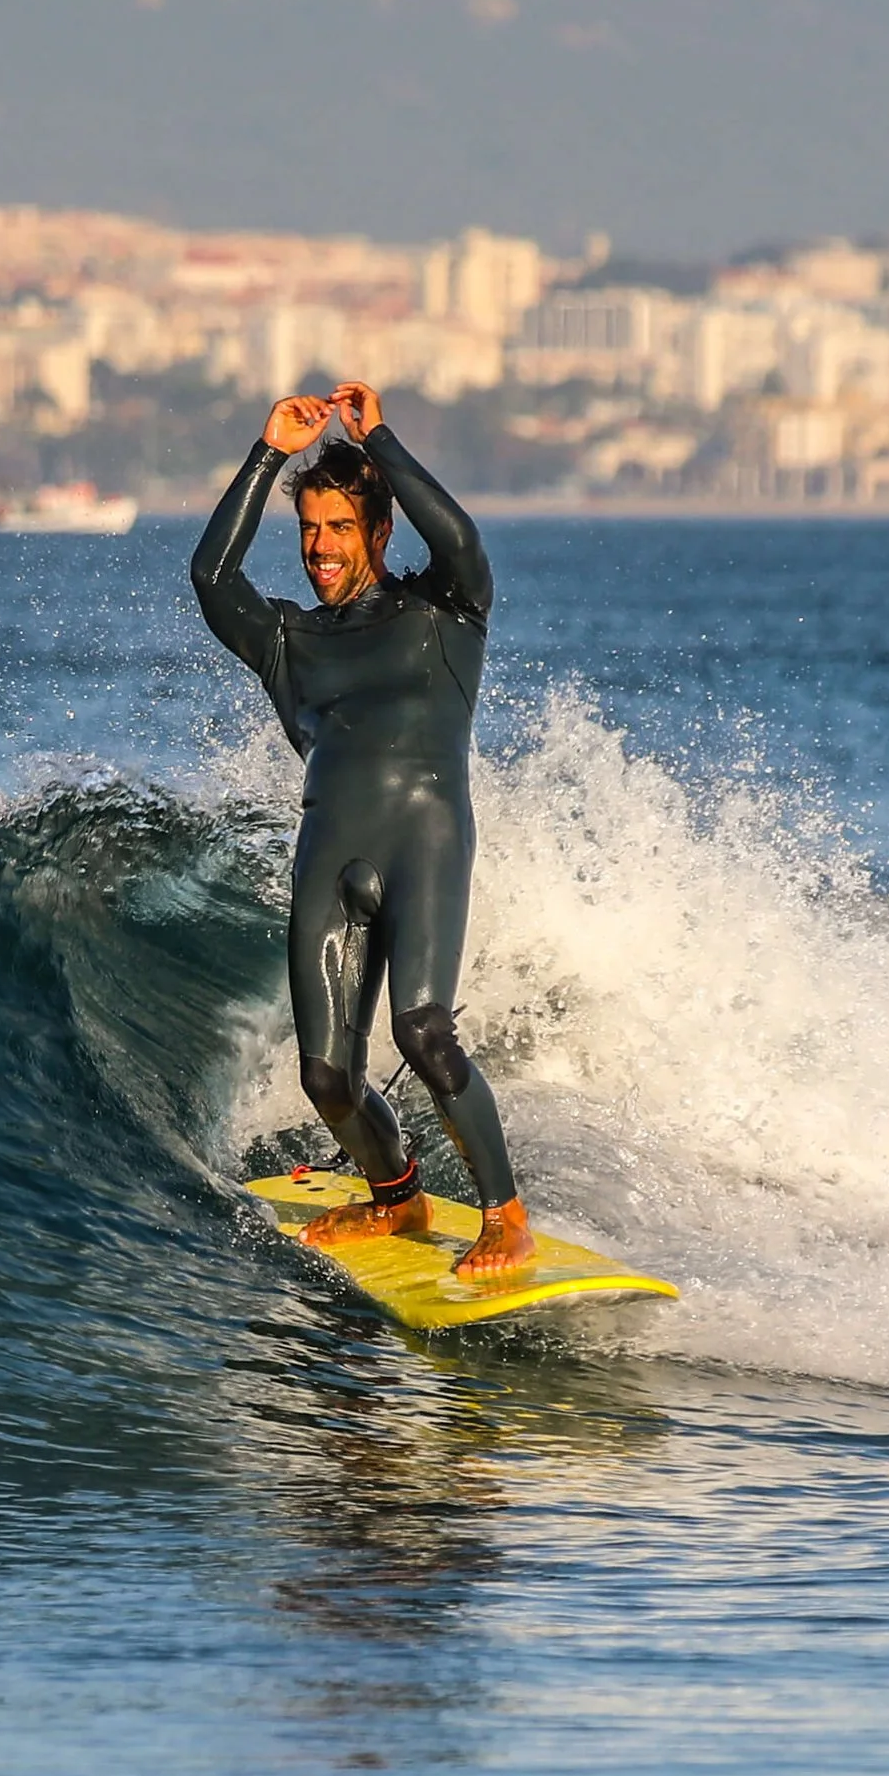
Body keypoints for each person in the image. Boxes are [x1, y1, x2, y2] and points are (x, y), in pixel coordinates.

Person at [192, 378, 533, 1279]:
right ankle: (399, 1199)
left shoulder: (445, 614)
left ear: (379, 532)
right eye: (308, 531)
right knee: (327, 1080)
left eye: (340, 529)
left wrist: (379, 441)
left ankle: (506, 1214)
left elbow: (458, 538)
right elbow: (212, 577)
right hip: (331, 854)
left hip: (425, 841)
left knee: (423, 1032)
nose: (320, 549)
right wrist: (267, 453)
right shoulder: (288, 643)